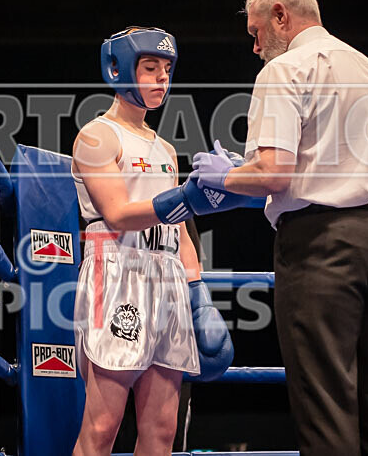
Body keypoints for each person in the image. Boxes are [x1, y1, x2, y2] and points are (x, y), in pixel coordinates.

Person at [191, 0, 368, 456]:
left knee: (326, 400)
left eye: (256, 32)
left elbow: (274, 174)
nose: (254, 47)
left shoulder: (286, 68)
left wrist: (223, 178)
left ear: (280, 15)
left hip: (325, 245)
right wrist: (246, 168)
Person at [70, 26, 241, 455]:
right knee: (103, 425)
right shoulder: (97, 135)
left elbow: (179, 228)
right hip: (116, 270)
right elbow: (117, 213)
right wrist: (184, 197)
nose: (162, 78)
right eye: (150, 68)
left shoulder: (165, 148)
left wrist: (198, 293)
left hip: (167, 279)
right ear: (119, 69)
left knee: (162, 430)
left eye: (167, 69)